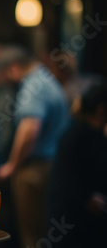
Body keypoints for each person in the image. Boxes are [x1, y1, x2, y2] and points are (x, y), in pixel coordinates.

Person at [0, 45, 70, 248]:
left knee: (32, 236)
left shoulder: (32, 85)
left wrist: (12, 165)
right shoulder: (46, 78)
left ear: (13, 68)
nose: (5, 83)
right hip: (51, 165)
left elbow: (30, 128)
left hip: (35, 170)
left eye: (4, 77)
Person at [47, 82, 107, 248]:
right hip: (72, 224)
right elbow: (67, 180)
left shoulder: (83, 133)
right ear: (101, 110)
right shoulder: (79, 136)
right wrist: (87, 197)